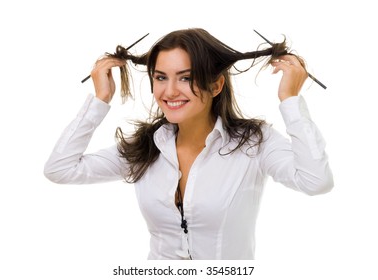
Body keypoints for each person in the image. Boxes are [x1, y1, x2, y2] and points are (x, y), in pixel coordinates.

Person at [44, 28, 334, 260]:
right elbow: (60, 169)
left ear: (216, 85)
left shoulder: (255, 142)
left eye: (186, 78)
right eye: (160, 77)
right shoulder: (145, 148)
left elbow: (316, 181)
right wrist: (99, 100)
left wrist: (291, 101)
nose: (169, 91)